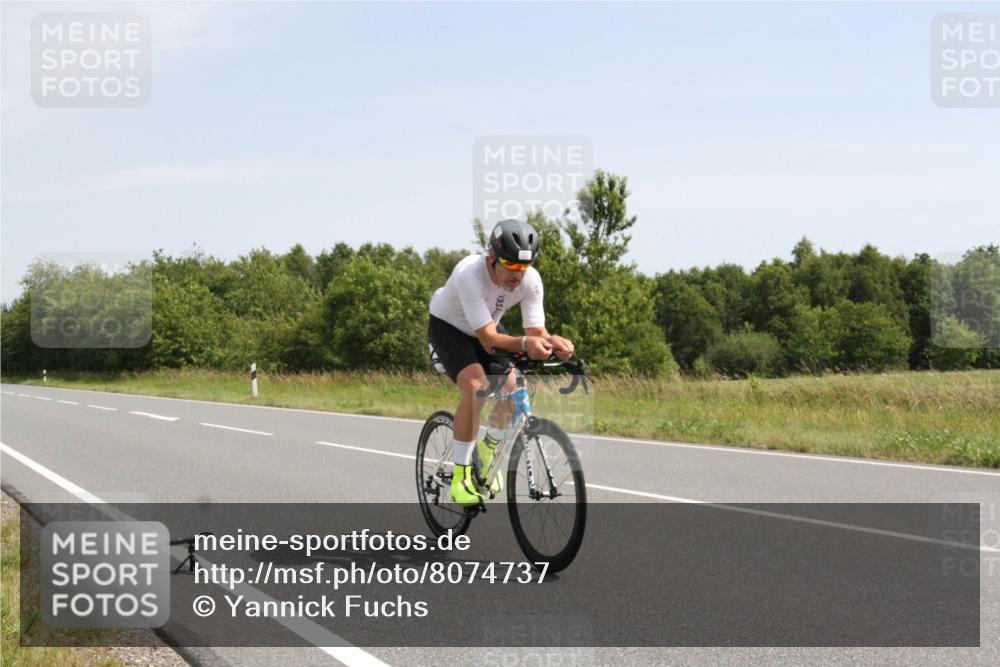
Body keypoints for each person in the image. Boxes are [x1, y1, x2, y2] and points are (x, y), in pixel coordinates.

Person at [428, 219, 575, 506]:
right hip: (450, 330)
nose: (517, 275)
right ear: (492, 258)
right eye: (511, 266)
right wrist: (524, 344)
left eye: (524, 267)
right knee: (476, 386)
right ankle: (460, 476)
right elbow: (487, 339)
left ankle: (488, 448)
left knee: (515, 387)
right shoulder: (468, 273)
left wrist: (552, 340)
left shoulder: (530, 280)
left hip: (489, 330)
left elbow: (535, 332)